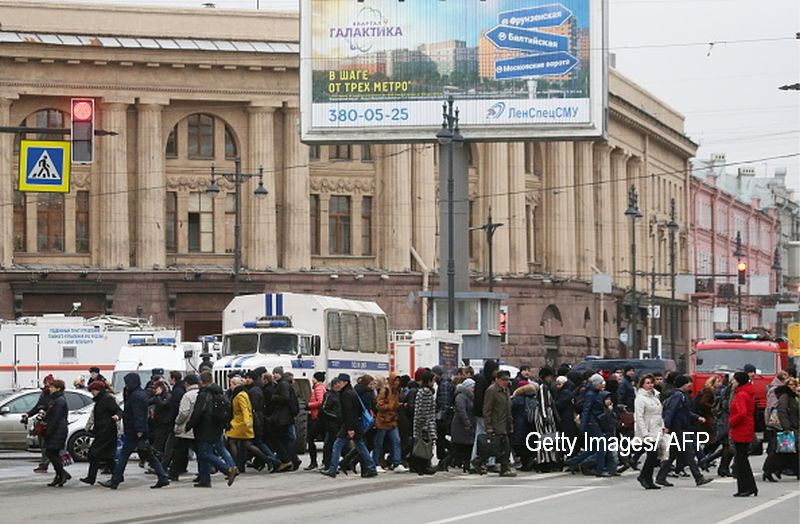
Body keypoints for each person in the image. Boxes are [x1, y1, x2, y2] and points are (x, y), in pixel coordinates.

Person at [100, 373, 170, 490]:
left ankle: (115, 480)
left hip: (135, 431)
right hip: (136, 430)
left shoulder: (136, 396)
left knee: (124, 455)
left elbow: (139, 415)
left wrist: (139, 430)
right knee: (149, 455)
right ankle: (162, 478)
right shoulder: (138, 393)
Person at [655, 375, 712, 488]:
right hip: (678, 428)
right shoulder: (678, 396)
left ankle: (661, 477)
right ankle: (699, 477)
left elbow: (685, 412)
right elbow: (671, 411)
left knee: (673, 454)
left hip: (680, 427)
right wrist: (666, 426)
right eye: (688, 383)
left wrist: (696, 417)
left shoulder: (682, 395)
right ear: (683, 384)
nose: (690, 385)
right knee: (689, 452)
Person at [186, 371, 237, 488]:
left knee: (204, 453)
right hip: (217, 426)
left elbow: (198, 412)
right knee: (206, 452)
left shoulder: (204, 394)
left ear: (201, 382)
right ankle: (205, 479)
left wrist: (189, 424)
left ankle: (227, 469)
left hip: (205, 427)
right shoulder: (219, 393)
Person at [321, 374, 377, 478]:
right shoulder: (351, 392)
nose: (339, 384)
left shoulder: (346, 394)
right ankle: (371, 467)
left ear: (345, 382)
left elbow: (350, 412)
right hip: (353, 424)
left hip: (349, 424)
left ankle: (333, 469)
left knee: (337, 445)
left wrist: (350, 428)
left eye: (340, 382)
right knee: (360, 445)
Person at [81, 380, 121, 485]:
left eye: (93, 390)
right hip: (102, 430)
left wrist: (117, 417)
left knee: (94, 454)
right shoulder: (100, 400)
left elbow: (119, 411)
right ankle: (116, 476)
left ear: (98, 390)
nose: (92, 393)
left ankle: (93, 477)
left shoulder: (107, 399)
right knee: (106, 456)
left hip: (107, 431)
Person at [476, 369, 515, 477]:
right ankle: (481, 461)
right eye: (503, 380)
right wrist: (488, 425)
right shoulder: (492, 390)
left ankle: (502, 467)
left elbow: (508, 408)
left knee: (502, 448)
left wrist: (510, 423)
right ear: (497, 379)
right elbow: (487, 409)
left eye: (507, 380)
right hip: (496, 423)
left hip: (504, 423)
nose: (505, 382)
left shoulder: (506, 390)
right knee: (497, 448)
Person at [566, 374, 606, 475]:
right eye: (601, 383)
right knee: (601, 445)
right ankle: (600, 470)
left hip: (594, 422)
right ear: (596, 384)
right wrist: (583, 426)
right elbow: (586, 410)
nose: (603, 384)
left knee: (593, 448)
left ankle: (572, 462)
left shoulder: (595, 393)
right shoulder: (591, 394)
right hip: (592, 423)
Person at [763, 377, 798, 481]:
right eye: (791, 385)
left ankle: (772, 470)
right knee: (781, 451)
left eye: (794, 385)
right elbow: (782, 412)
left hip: (792, 426)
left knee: (786, 451)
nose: (793, 387)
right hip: (786, 427)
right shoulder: (785, 396)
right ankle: (769, 470)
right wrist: (786, 427)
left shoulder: (791, 396)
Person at [728, 371, 757, 496]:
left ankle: (745, 488)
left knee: (741, 461)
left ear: (739, 381)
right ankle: (750, 487)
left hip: (741, 429)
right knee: (743, 459)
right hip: (747, 427)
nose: (732, 382)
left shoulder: (740, 395)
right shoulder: (747, 393)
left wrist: (731, 422)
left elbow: (742, 413)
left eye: (734, 380)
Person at [633, 374, 663, 490]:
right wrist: (644, 433)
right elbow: (639, 417)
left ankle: (648, 479)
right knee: (652, 455)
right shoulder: (640, 398)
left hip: (656, 429)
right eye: (647, 383)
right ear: (642, 385)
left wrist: (663, 426)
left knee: (654, 456)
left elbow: (659, 414)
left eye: (651, 382)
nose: (650, 385)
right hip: (647, 430)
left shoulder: (655, 396)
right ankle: (644, 477)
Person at [21, 374, 55, 473]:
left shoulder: (56, 397)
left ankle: (50, 465)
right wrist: (28, 414)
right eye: (47, 384)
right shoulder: (44, 394)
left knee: (49, 446)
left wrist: (45, 413)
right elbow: (38, 407)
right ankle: (45, 464)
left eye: (50, 385)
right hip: (43, 423)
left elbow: (54, 409)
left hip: (50, 423)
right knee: (44, 445)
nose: (48, 386)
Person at [169, 373, 199, 481]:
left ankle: (174, 473)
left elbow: (184, 412)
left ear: (187, 383)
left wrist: (177, 422)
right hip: (197, 427)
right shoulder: (200, 393)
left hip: (185, 427)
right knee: (199, 451)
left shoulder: (187, 395)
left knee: (179, 451)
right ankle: (204, 471)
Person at [374, 373, 406, 472]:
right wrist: (391, 406)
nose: (397, 382)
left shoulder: (396, 391)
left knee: (396, 441)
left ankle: (397, 463)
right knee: (379, 443)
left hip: (392, 420)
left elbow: (393, 403)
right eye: (395, 380)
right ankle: (376, 463)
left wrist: (400, 405)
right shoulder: (385, 390)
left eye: (398, 380)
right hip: (383, 420)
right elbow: (379, 405)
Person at [269, 367, 298, 472]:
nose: (274, 375)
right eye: (273, 373)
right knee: (286, 439)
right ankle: (293, 460)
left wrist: (274, 397)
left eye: (276, 373)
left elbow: (285, 398)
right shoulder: (282, 384)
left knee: (277, 438)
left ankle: (287, 460)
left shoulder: (283, 384)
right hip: (284, 417)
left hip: (283, 418)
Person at [43, 379, 70, 487]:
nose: (50, 389)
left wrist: (49, 431)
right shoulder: (54, 399)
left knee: (51, 452)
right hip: (57, 429)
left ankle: (62, 474)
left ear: (58, 388)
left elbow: (56, 418)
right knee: (53, 453)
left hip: (58, 430)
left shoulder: (60, 401)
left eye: (52, 387)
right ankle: (59, 475)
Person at [471, 360, 499, 463]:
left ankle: (476, 459)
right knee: (489, 435)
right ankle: (489, 461)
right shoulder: (483, 380)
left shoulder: (484, 379)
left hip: (481, 412)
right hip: (483, 413)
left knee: (480, 436)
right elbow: (480, 399)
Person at [410, 370, 437, 475]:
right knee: (425, 445)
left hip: (421, 422)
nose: (434, 382)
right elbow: (424, 409)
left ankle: (420, 466)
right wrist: (424, 424)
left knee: (421, 444)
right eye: (433, 380)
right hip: (426, 423)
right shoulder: (426, 392)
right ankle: (423, 466)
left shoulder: (421, 391)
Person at [449, 378, 476, 473]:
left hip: (467, 424)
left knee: (467, 447)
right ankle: (446, 463)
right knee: (458, 448)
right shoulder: (461, 396)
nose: (474, 389)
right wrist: (467, 423)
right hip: (461, 426)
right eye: (473, 387)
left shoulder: (470, 397)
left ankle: (467, 465)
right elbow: (461, 410)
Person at [510, 382, 538, 472]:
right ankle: (530, 460)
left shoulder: (517, 400)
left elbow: (509, 409)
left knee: (519, 445)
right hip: (531, 425)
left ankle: (525, 462)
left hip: (519, 425)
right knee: (529, 444)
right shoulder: (535, 400)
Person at [432, 366, 455, 470]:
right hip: (445, 417)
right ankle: (447, 458)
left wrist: (441, 419)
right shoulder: (444, 383)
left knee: (440, 440)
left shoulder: (444, 385)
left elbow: (444, 404)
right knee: (441, 440)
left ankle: (445, 459)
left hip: (443, 418)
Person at [305, 371, 327, 470]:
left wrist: (309, 405)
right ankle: (324, 461)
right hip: (319, 417)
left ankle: (313, 462)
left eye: (313, 377)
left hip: (317, 417)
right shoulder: (322, 387)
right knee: (325, 439)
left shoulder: (318, 388)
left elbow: (320, 402)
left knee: (310, 438)